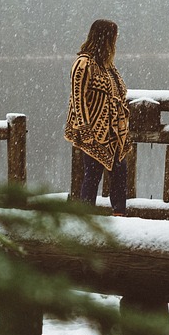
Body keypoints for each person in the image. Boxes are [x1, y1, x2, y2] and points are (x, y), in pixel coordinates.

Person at [64, 18, 132, 214]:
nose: (115, 42)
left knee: (120, 174)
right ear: (104, 38)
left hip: (115, 134)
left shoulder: (108, 66)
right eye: (113, 37)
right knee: (92, 176)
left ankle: (120, 215)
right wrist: (85, 130)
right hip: (93, 132)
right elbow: (78, 99)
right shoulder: (83, 64)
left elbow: (118, 93)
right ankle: (86, 219)